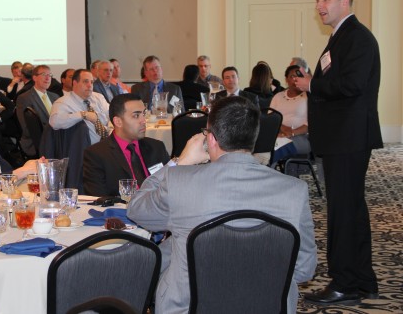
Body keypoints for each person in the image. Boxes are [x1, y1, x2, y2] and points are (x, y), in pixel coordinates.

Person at [128, 96, 317, 314]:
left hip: (188, 308)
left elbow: (136, 209)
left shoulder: (179, 182)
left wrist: (180, 162)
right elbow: (304, 270)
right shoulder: (294, 190)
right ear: (253, 138)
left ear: (211, 140)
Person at [295, 0, 382, 305]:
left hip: (347, 137)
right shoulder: (342, 37)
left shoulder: (356, 38)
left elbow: (353, 84)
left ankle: (344, 284)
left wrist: (313, 85)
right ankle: (364, 280)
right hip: (342, 137)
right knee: (352, 210)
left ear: (345, 1)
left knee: (343, 213)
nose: (319, 5)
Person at [82, 94, 170, 196]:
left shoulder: (156, 147)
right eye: (136, 116)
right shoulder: (97, 154)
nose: (143, 121)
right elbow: (99, 199)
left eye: (143, 114)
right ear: (118, 122)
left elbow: (172, 183)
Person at [50, 69, 110, 145]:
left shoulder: (98, 97)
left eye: (91, 82)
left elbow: (111, 114)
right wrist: (83, 115)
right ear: (75, 83)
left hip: (107, 143)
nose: (89, 85)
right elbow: (54, 122)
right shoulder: (63, 102)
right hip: (86, 149)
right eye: (85, 81)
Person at [269, 65, 311, 164]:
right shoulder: (278, 97)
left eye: (299, 76)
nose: (296, 79)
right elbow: (270, 119)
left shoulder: (309, 97)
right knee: (265, 145)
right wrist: (283, 130)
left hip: (302, 138)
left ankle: (266, 174)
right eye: (292, 76)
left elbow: (311, 124)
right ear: (286, 79)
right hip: (279, 135)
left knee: (276, 148)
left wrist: (291, 133)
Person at [16, 65, 60, 157]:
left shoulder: (55, 97)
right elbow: (27, 128)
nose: (48, 78)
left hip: (57, 142)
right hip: (37, 144)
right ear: (34, 77)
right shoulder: (24, 98)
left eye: (50, 75)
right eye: (44, 74)